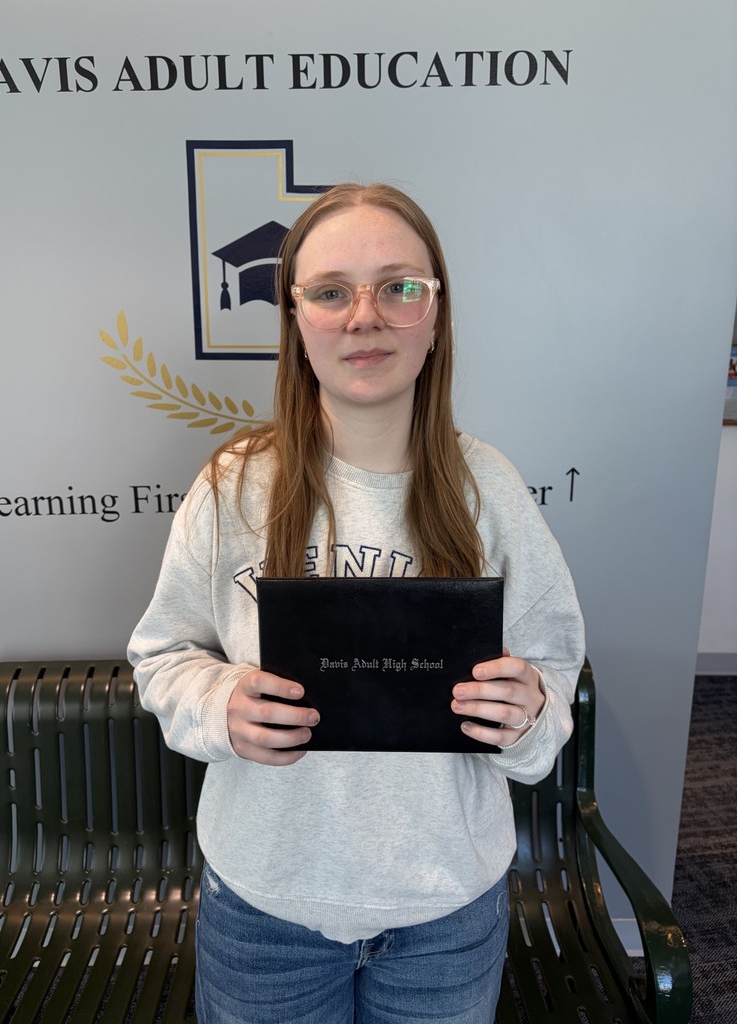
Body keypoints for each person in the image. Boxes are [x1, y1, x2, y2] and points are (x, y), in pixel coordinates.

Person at [128, 182, 585, 1024]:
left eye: (399, 287)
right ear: (297, 323)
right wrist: (219, 701)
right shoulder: (233, 488)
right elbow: (162, 656)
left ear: (436, 316)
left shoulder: (493, 492)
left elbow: (551, 683)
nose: (364, 316)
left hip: (447, 910)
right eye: (332, 291)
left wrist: (527, 714)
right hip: (266, 906)